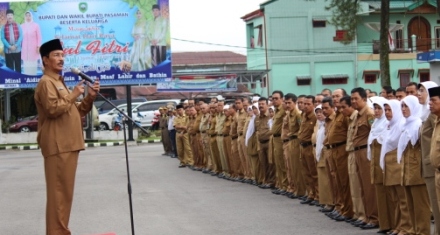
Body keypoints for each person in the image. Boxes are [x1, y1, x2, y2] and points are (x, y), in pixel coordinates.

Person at [34, 38, 100, 235]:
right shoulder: (46, 83)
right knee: (58, 195)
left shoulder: (58, 82)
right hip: (57, 145)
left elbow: (75, 111)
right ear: (45, 60)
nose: (61, 59)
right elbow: (53, 109)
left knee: (65, 195)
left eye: (62, 55)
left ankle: (61, 231)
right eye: (56, 55)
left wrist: (89, 97)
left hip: (68, 144)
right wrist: (73, 95)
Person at [398, 95, 431, 235]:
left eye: (407, 106)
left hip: (417, 173)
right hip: (407, 172)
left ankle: (423, 232)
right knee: (411, 207)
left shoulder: (419, 124)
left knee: (421, 208)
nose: (404, 109)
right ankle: (414, 231)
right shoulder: (405, 125)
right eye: (402, 106)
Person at [381, 99, 411, 235]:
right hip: (389, 166)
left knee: (403, 200)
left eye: (389, 110)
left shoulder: (401, 125)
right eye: (385, 110)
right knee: (395, 199)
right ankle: (398, 226)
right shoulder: (389, 125)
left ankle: (406, 227)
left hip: (397, 166)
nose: (387, 113)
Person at [351, 87, 379, 229]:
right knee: (362, 186)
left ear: (364, 99)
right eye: (352, 99)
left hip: (365, 152)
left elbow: (373, 133)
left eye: (356, 98)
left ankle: (374, 218)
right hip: (357, 152)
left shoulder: (369, 114)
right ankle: (367, 216)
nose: (353, 101)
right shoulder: (357, 114)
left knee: (368, 187)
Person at [339, 96, 367, 227]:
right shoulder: (350, 119)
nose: (342, 110)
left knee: (359, 186)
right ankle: (357, 214)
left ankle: (362, 215)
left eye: (344, 107)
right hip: (351, 152)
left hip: (358, 152)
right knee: (353, 187)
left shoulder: (357, 116)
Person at [368, 97, 393, 233]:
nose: (376, 111)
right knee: (380, 194)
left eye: (379, 108)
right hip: (375, 162)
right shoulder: (375, 124)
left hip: (384, 162)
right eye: (375, 108)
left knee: (388, 194)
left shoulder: (387, 124)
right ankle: (384, 224)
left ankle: (392, 223)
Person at [418, 81, 440, 235]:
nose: (429, 103)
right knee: (436, 205)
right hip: (431, 165)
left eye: (422, 91)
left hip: (434, 167)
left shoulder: (434, 117)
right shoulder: (426, 114)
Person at [298, 95, 318, 205]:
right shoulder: (303, 116)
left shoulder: (315, 117)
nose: (305, 106)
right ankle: (311, 194)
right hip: (302, 146)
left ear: (314, 105)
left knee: (313, 173)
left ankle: (317, 195)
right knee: (306, 172)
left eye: (308, 104)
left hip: (310, 146)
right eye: (304, 104)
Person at [21, 11, 41, 75]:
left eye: (29, 15)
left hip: (33, 49)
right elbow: (20, 38)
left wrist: (38, 46)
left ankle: (33, 79)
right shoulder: (22, 26)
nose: (28, 17)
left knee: (33, 66)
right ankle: (27, 79)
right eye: (26, 16)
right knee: (26, 66)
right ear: (25, 17)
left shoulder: (36, 25)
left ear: (31, 16)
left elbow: (39, 37)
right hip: (25, 50)